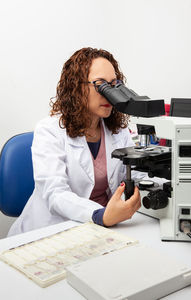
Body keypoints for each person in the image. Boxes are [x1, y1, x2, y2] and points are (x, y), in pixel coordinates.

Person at [8, 47, 146, 237]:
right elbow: (56, 193)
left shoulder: (118, 131)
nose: (109, 94)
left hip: (102, 230)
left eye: (114, 85)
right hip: (52, 232)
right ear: (77, 88)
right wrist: (101, 215)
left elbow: (135, 177)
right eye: (101, 85)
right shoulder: (49, 131)